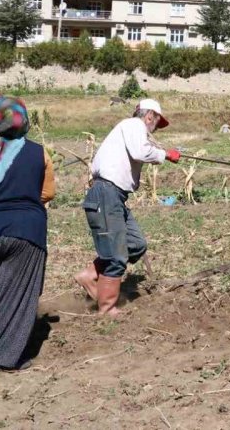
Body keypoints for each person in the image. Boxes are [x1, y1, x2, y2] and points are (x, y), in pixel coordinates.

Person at [74, 98, 179, 316]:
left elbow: (141, 150)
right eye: (157, 124)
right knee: (116, 258)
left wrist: (163, 153)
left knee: (136, 244)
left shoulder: (129, 130)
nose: (155, 129)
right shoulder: (133, 125)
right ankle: (107, 309)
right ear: (150, 116)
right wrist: (165, 154)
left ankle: (90, 275)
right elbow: (140, 152)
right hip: (106, 193)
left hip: (116, 196)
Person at [0, 96, 55, 372]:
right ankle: (2, 359)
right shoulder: (39, 152)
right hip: (26, 230)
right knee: (15, 295)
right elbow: (48, 193)